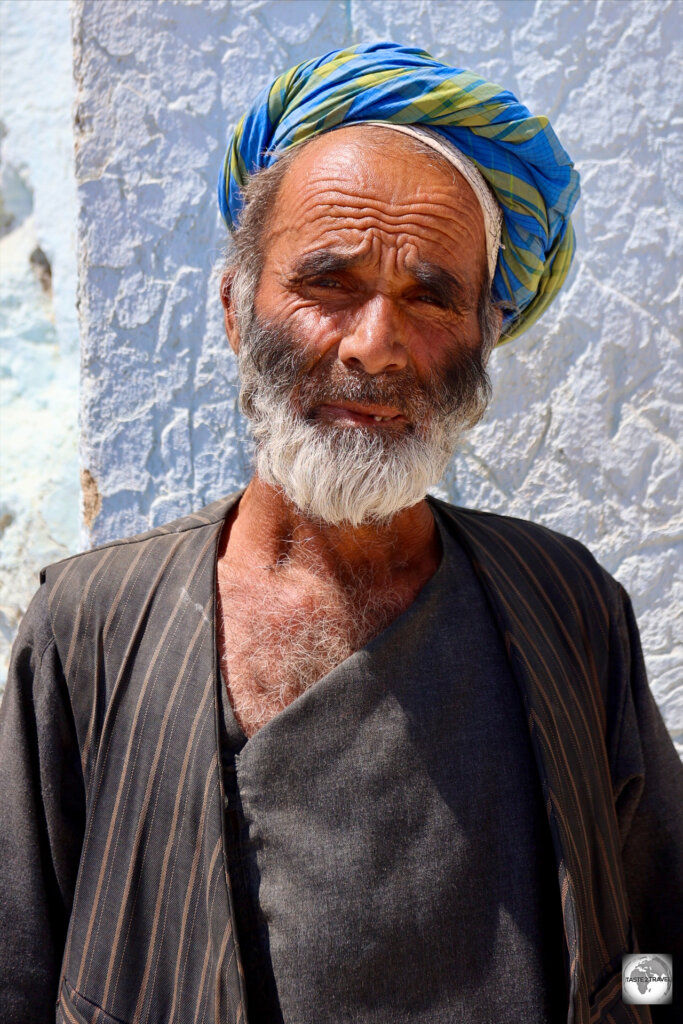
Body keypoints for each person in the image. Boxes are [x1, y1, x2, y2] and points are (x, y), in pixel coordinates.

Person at [0, 41, 681, 1024]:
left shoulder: (568, 604)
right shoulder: (91, 627)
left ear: (486, 336)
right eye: (328, 281)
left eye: (430, 295)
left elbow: (656, 937)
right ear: (237, 311)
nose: (374, 343)